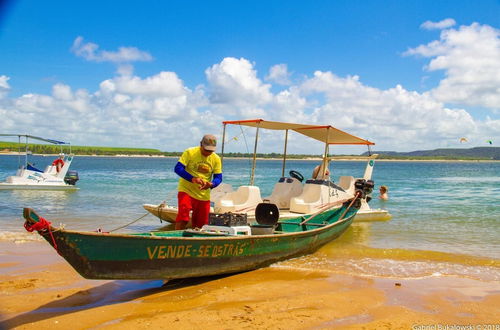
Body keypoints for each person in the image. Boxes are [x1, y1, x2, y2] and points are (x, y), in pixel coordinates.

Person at [174, 134, 223, 230]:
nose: (208, 153)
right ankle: (176, 239)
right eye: (206, 150)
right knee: (183, 217)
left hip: (203, 194)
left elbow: (219, 177)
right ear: (201, 144)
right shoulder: (190, 152)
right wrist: (192, 178)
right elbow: (178, 168)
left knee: (201, 224)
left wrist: (211, 184)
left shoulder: (216, 158)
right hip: (186, 190)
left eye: (211, 151)